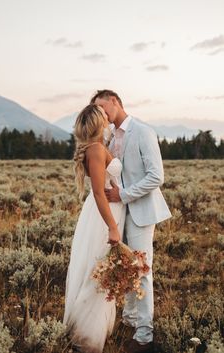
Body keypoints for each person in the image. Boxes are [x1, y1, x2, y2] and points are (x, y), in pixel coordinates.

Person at [90, 90, 172, 353]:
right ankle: (130, 320)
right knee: (125, 268)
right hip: (120, 214)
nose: (101, 114)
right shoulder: (109, 136)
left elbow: (156, 176)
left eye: (102, 108)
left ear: (114, 101)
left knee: (142, 270)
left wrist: (123, 195)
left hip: (140, 213)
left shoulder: (143, 132)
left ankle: (144, 336)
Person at [63, 104, 126, 353]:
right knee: (98, 271)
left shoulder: (98, 146)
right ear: (97, 122)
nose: (107, 116)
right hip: (103, 216)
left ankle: (85, 331)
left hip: (106, 212)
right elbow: (99, 193)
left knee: (97, 269)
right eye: (102, 115)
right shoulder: (97, 150)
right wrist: (112, 227)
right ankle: (87, 338)